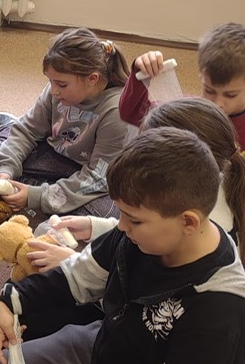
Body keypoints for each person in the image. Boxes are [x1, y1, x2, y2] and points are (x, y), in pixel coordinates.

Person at [0, 127, 245, 364]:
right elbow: (78, 274)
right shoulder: (139, 234)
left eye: (133, 220)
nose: (120, 226)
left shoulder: (219, 310)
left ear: (188, 222)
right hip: (110, 348)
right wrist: (12, 299)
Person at [28, 96, 245, 273]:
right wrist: (94, 227)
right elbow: (146, 227)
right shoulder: (214, 184)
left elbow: (140, 291)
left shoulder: (201, 235)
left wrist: (73, 263)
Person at [0, 27, 131, 219]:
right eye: (51, 81)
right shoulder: (55, 90)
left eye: (62, 85)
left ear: (92, 79)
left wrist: (37, 196)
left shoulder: (116, 111)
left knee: (103, 214)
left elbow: (97, 178)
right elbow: (28, 131)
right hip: (56, 152)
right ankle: (9, 127)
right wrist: (6, 171)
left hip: (91, 169)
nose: (54, 91)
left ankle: (37, 185)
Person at [119, 22, 245, 149]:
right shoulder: (190, 111)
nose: (217, 103)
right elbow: (132, 113)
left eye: (230, 95)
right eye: (209, 90)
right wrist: (140, 72)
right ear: (201, 76)